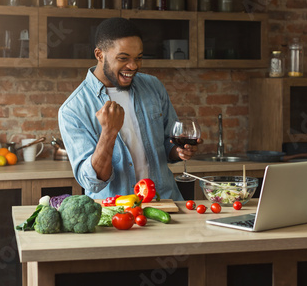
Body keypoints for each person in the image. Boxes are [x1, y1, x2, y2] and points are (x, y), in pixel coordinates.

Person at [58, 17, 201, 200]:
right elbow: (92, 181)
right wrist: (109, 132)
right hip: (116, 214)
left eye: (138, 58)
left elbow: (168, 144)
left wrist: (180, 151)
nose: (133, 66)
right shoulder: (73, 110)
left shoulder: (153, 87)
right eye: (123, 58)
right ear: (99, 55)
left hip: (166, 203)